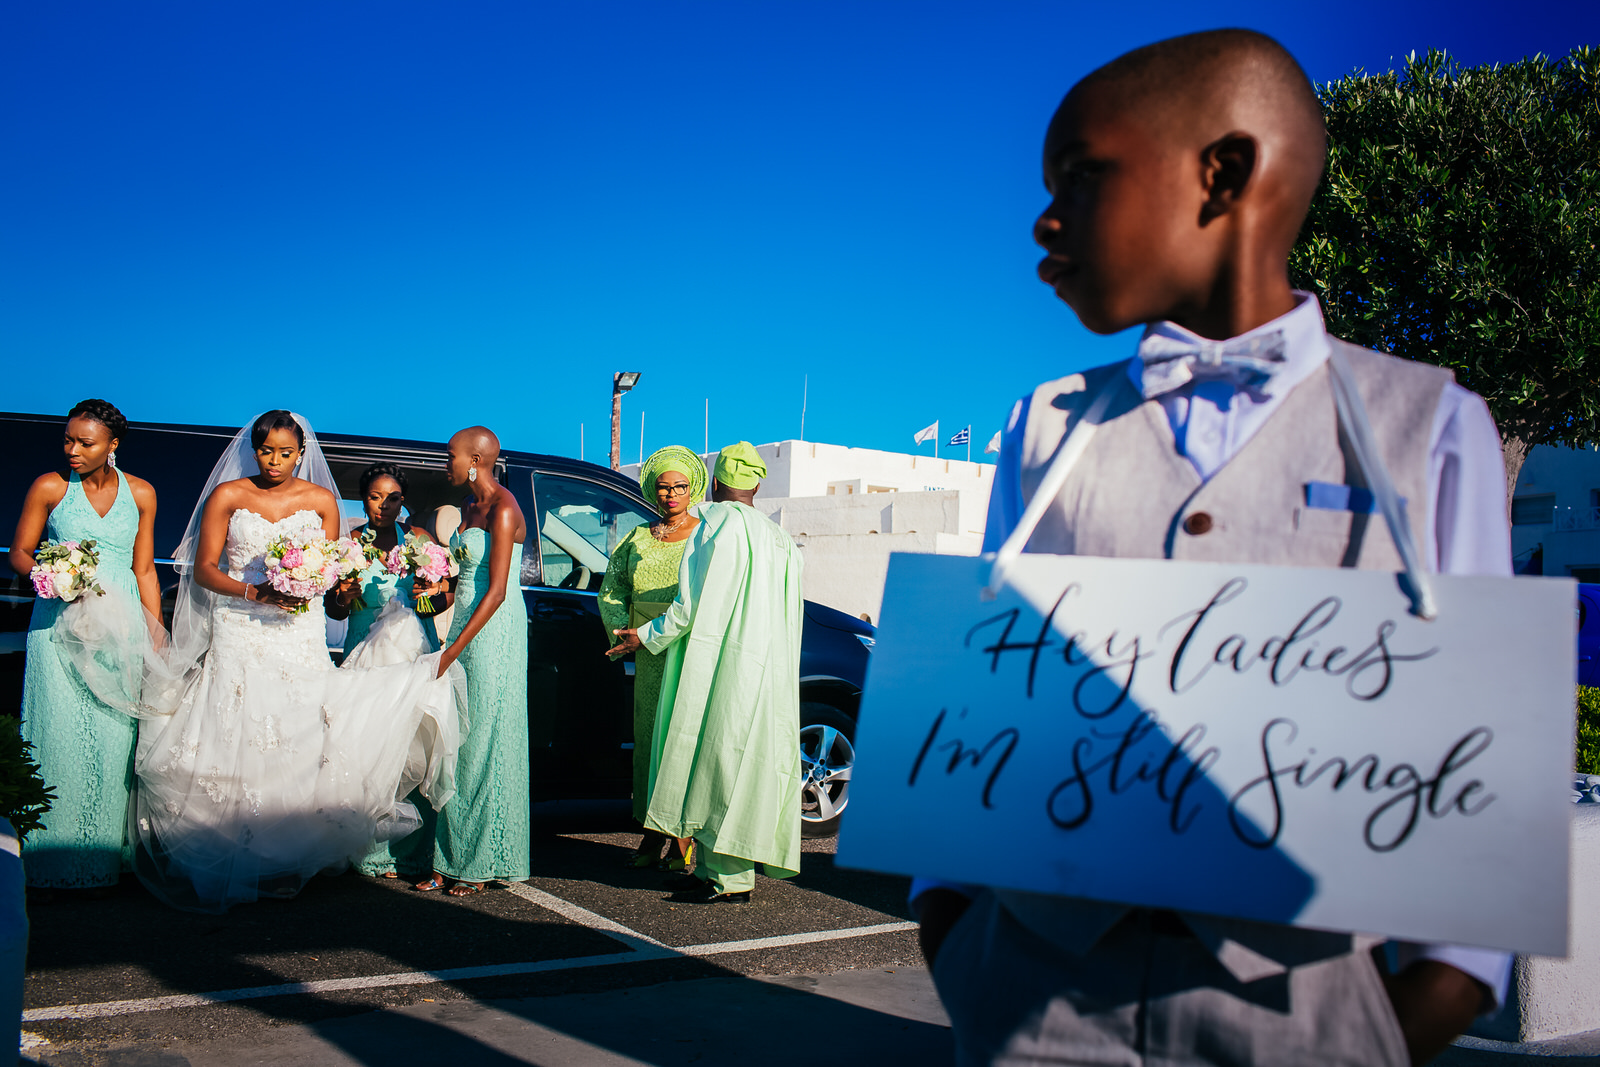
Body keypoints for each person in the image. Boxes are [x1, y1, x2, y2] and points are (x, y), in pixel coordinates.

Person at [913, 30, 1513, 1066]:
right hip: (1032, 999)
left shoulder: (1427, 425)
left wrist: (1437, 991)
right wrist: (954, 926)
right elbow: (987, 684)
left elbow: (1482, 737)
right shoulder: (1047, 426)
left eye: (1081, 176)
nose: (1044, 218)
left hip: (1307, 1010)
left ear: (1222, 174)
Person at [130, 410, 462, 912]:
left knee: (299, 731)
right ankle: (232, 848)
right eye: (267, 452)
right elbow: (202, 569)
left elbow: (334, 571)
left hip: (298, 633)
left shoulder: (322, 501)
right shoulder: (229, 496)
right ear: (254, 450)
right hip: (241, 625)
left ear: (301, 454)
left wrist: (335, 583)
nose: (276, 461)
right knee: (236, 728)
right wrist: (255, 590)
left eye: (287, 453)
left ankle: (289, 855)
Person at [608, 442, 803, 904]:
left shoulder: (713, 526)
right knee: (747, 765)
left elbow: (688, 606)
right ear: (758, 484)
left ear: (714, 483)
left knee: (712, 759)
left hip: (721, 664)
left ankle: (726, 878)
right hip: (767, 671)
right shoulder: (782, 539)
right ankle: (719, 871)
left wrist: (645, 635)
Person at [9, 399, 160, 897]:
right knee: (57, 732)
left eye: (85, 442)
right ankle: (50, 855)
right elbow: (20, 553)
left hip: (121, 632)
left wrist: (156, 632)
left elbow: (143, 569)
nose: (73, 450)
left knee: (115, 738)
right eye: (68, 440)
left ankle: (104, 853)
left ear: (112, 445)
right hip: (58, 625)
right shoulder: (50, 487)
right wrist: (51, 575)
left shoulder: (141, 493)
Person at [413, 426, 529, 897]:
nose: (447, 465)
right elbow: (467, 577)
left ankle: (477, 861)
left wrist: (454, 649)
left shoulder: (504, 509)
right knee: (454, 735)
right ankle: (447, 854)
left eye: (451, 456)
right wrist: (437, 594)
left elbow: (498, 590)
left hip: (493, 632)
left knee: (480, 739)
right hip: (463, 622)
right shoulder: (467, 508)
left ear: (476, 460)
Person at [326, 462, 452, 880]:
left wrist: (428, 592)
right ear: (364, 498)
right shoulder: (347, 545)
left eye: (393, 498)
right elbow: (333, 610)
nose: (384, 506)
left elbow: (439, 601)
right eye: (375, 497)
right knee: (363, 749)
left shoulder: (419, 540)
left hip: (411, 654)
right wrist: (344, 594)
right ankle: (366, 848)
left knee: (412, 750)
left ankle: (410, 852)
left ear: (403, 502)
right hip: (364, 656)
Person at [598, 445, 706, 871]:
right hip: (646, 652)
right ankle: (650, 830)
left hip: (687, 649)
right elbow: (612, 589)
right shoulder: (637, 537)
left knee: (682, 741)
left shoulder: (704, 538)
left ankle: (683, 836)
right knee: (649, 743)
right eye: (663, 488)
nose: (672, 494)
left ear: (693, 487)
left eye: (680, 486)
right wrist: (623, 634)